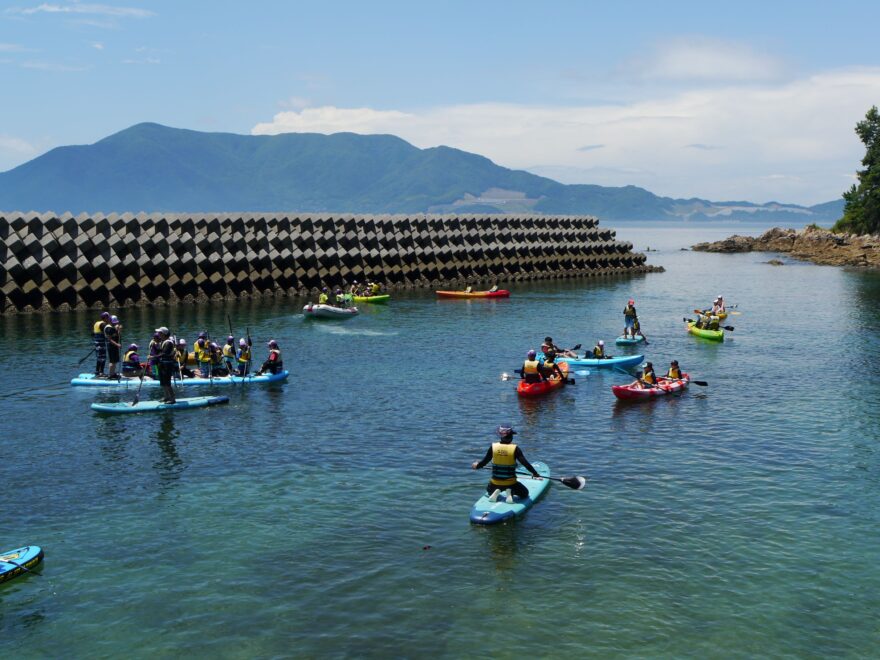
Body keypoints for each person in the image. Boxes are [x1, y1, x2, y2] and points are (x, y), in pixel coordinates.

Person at [471, 425, 541, 503]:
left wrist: (476, 465)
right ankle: (510, 492)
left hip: (495, 483)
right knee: (525, 494)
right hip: (511, 483)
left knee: (489, 491)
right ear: (511, 436)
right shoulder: (515, 449)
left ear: (500, 436)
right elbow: (526, 464)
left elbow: (483, 463)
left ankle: (497, 491)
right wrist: (535, 473)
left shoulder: (493, 447)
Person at [156, 327, 177, 404]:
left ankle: (172, 398)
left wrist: (152, 357)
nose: (158, 334)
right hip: (162, 364)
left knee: (167, 382)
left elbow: (164, 353)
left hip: (167, 364)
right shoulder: (162, 341)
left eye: (160, 333)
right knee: (162, 382)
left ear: (164, 334)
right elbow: (159, 351)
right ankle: (166, 396)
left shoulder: (168, 343)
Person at [92, 311, 110, 377]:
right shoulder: (103, 324)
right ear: (105, 318)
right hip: (101, 344)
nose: (109, 319)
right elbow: (107, 333)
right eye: (108, 318)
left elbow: (93, 334)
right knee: (103, 358)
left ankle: (97, 372)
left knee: (99, 358)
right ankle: (101, 373)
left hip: (97, 343)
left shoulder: (96, 323)